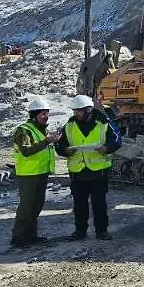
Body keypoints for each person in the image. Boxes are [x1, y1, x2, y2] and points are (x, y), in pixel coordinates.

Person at [54, 95, 122, 240]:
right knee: (79, 204)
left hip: (98, 170)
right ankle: (80, 231)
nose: (75, 113)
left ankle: (101, 231)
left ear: (89, 110)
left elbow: (117, 139)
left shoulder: (104, 123)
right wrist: (65, 150)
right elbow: (59, 144)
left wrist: (106, 148)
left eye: (78, 111)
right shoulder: (69, 125)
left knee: (99, 203)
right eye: (74, 111)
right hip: (77, 171)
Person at [10, 97, 61, 248]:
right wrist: (47, 141)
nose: (46, 117)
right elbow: (26, 151)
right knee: (26, 207)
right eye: (42, 114)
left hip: (40, 173)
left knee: (36, 205)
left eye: (47, 114)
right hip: (28, 175)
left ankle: (31, 236)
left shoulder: (41, 130)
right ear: (34, 115)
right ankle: (19, 238)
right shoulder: (24, 130)